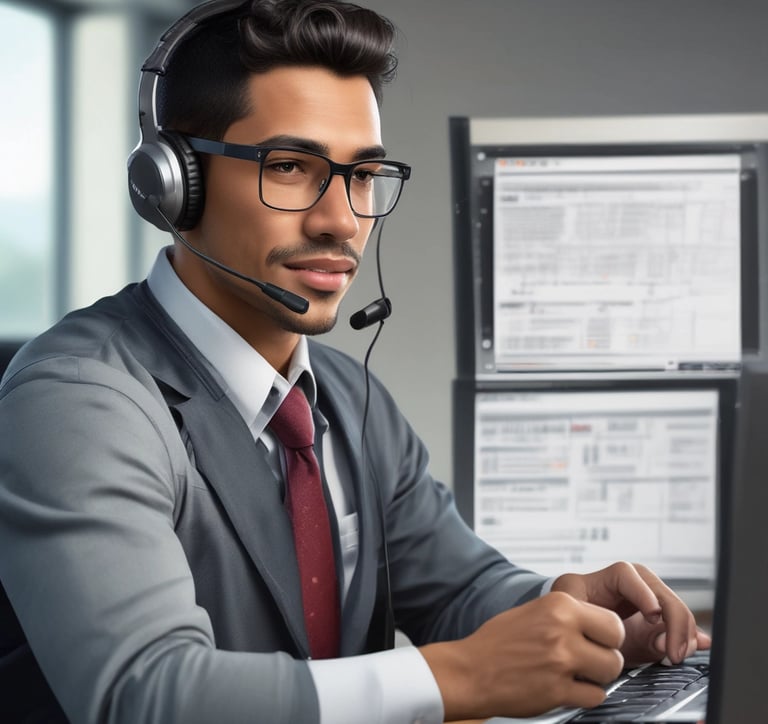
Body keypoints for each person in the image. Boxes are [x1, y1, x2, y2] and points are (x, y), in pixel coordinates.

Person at [0, 1, 709, 723]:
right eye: (290, 167)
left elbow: (459, 591)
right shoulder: (78, 402)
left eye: (363, 175)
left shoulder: (343, 395)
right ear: (175, 184)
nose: (342, 219)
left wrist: (569, 615)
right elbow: (147, 696)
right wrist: (453, 677)